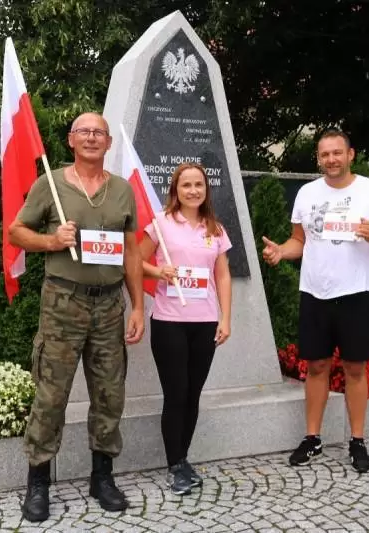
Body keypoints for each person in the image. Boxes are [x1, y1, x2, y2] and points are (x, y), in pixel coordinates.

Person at [8, 112, 145, 521]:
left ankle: (102, 477)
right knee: (51, 395)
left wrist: (138, 306)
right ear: (71, 140)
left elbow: (132, 252)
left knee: (109, 393)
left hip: (109, 305)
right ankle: (38, 482)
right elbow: (15, 231)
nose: (91, 138)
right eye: (83, 131)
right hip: (63, 304)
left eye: (99, 132)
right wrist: (52, 240)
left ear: (108, 143)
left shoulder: (121, 191)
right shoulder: (49, 184)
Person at [261, 129, 369, 473]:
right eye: (325, 154)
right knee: (316, 367)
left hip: (356, 293)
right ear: (319, 158)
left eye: (337, 153)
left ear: (350, 154)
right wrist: (281, 252)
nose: (331, 159)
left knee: (355, 369)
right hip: (315, 292)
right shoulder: (307, 193)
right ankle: (313, 438)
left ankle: (357, 441)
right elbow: (299, 241)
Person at [138, 163, 232, 495]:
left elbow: (223, 275)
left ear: (206, 189)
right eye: (186, 185)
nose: (193, 190)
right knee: (176, 393)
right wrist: (158, 271)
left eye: (198, 185)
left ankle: (183, 458)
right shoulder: (160, 224)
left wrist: (225, 318)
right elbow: (134, 261)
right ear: (175, 190)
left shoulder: (215, 229)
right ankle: (175, 464)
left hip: (204, 322)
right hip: (169, 322)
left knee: (193, 394)